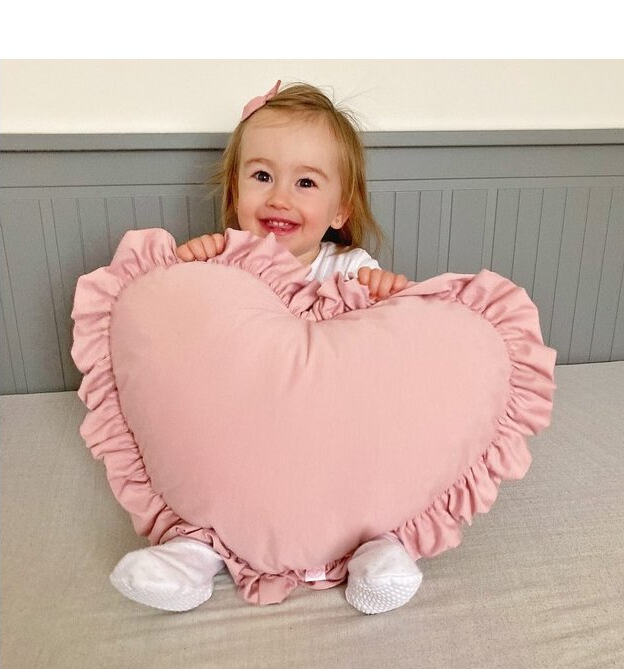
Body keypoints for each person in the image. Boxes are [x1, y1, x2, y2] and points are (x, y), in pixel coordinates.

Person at [109, 81, 422, 615]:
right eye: (261, 176)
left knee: (373, 474)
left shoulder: (350, 268)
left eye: (306, 182)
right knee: (211, 480)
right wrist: (187, 271)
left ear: (340, 210)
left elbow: (386, 356)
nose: (279, 197)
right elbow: (185, 338)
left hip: (328, 429)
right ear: (235, 194)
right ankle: (193, 552)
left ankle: (377, 547)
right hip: (245, 427)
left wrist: (389, 295)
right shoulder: (224, 264)